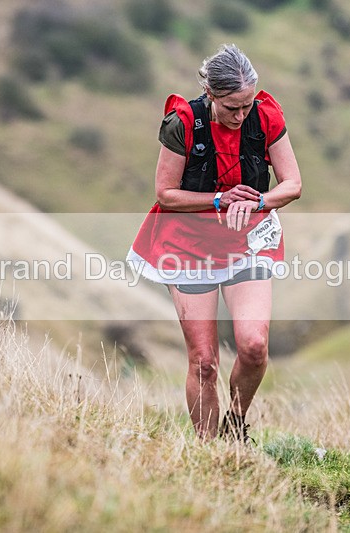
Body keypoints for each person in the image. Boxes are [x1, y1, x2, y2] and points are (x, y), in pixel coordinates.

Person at [127, 44, 302, 441]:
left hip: (249, 243)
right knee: (204, 361)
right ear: (210, 95)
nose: (241, 115)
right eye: (231, 107)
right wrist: (220, 200)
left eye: (247, 105)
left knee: (254, 345)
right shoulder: (183, 123)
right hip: (188, 245)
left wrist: (259, 201)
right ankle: (210, 451)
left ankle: (236, 425)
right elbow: (166, 194)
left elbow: (293, 184)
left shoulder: (266, 116)